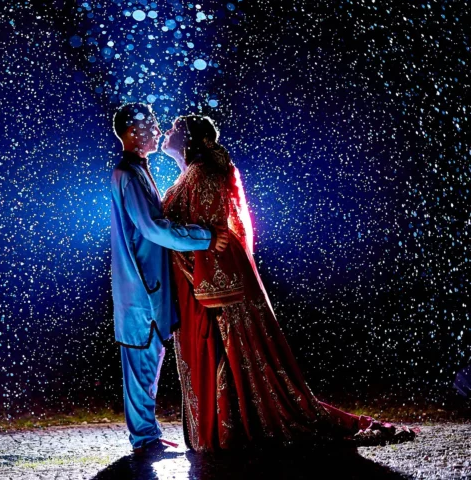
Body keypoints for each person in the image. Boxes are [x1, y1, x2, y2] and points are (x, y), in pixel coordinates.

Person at [161, 114, 417, 451]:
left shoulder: (202, 173)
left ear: (192, 139)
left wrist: (208, 287)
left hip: (214, 281)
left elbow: (215, 235)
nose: (167, 132)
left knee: (234, 355)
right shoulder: (190, 175)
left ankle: (232, 428)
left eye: (176, 128)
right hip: (197, 277)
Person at [109, 103, 227, 454]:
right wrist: (204, 236)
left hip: (147, 291)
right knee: (142, 370)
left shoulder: (135, 171)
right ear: (132, 132)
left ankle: (147, 436)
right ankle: (144, 439)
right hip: (142, 293)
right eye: (151, 126)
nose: (158, 131)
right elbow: (152, 228)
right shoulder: (128, 175)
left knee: (147, 368)